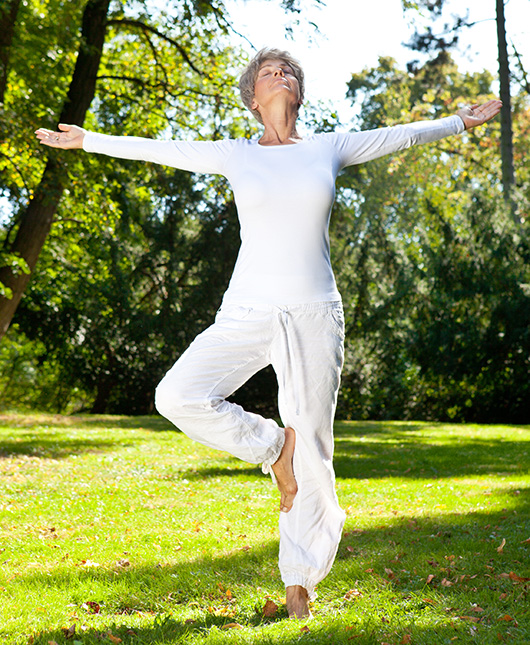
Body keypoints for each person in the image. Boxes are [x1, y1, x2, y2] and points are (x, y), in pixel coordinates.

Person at [35, 47, 502, 619]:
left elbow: (395, 135)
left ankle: (299, 585)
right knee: (176, 395)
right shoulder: (235, 154)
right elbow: (164, 150)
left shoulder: (328, 148)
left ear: (297, 94)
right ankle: (270, 447)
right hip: (246, 312)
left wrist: (459, 121)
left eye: (287, 72)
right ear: (253, 99)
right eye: (266, 73)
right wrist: (90, 140)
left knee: (316, 448)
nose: (278, 75)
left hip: (313, 314)